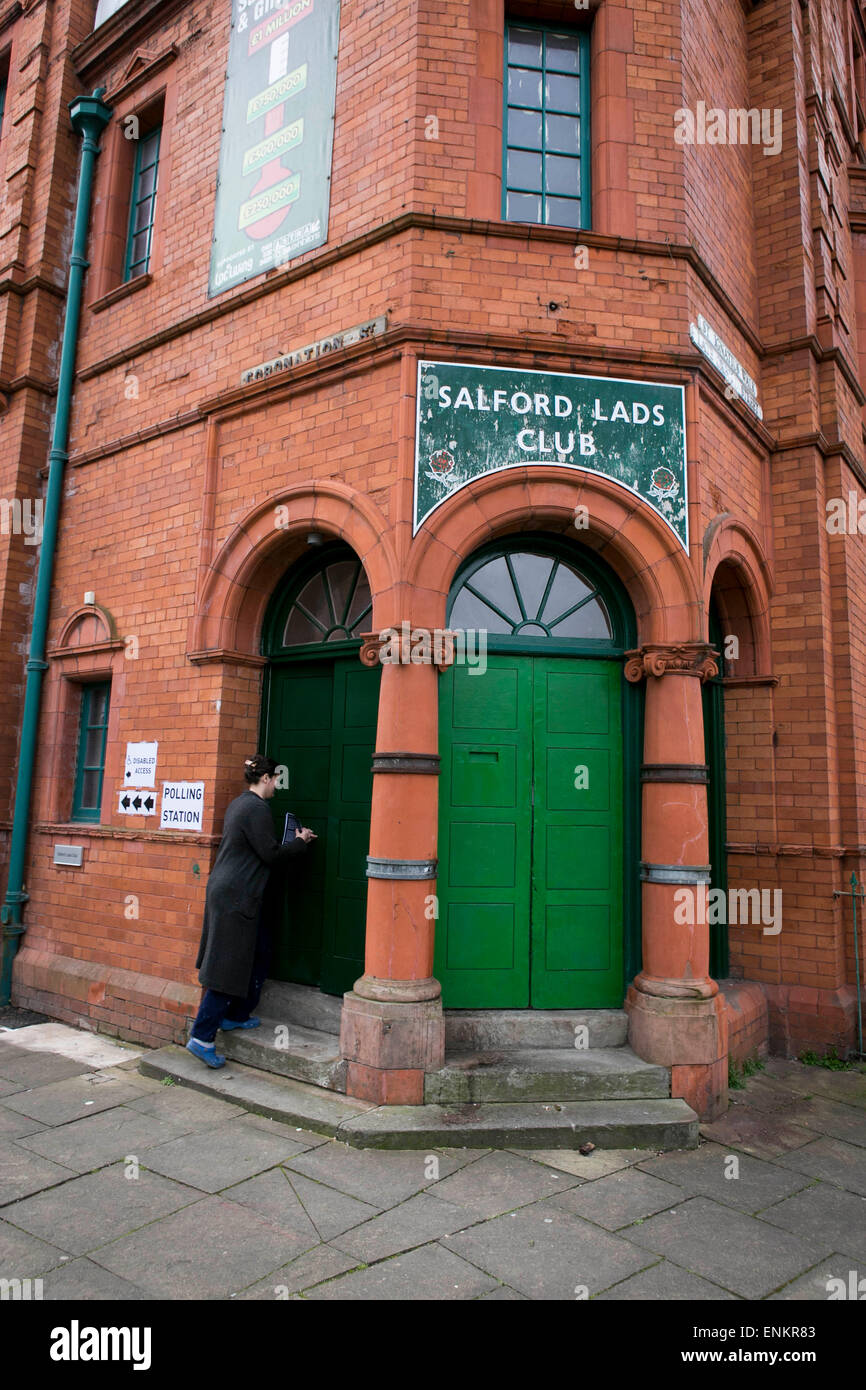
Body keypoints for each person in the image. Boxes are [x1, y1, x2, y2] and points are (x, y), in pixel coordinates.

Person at [187, 754, 316, 1068]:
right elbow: (270, 854)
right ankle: (202, 1038)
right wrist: (300, 841)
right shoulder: (256, 809)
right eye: (275, 781)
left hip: (231, 890)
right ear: (267, 778)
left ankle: (234, 1015)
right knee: (225, 964)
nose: (276, 787)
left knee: (253, 953)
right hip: (236, 894)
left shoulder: (240, 803)